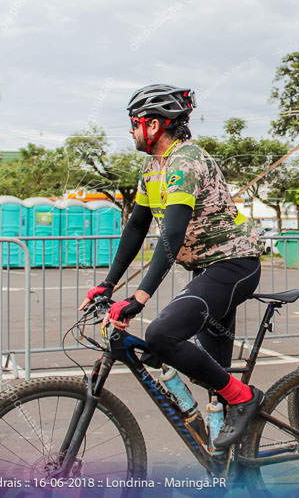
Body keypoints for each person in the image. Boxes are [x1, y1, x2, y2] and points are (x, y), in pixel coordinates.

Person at [81, 84, 264, 449]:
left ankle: (246, 398)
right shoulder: (153, 167)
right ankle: (237, 474)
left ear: (153, 125)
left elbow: (174, 232)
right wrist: (108, 284)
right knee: (213, 378)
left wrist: (139, 297)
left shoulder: (185, 161)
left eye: (134, 122)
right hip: (207, 269)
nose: (130, 130)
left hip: (234, 264)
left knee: (162, 336)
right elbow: (137, 227)